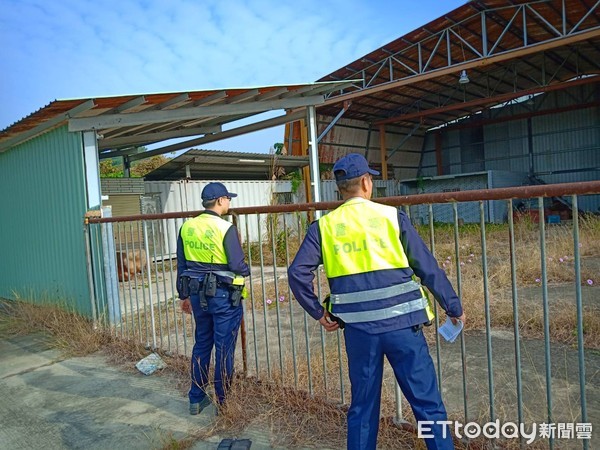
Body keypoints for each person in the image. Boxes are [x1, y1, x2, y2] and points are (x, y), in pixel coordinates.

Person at [288, 153, 465, 450]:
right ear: (367, 182)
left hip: (359, 333)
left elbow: (297, 273)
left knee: (363, 408)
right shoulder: (392, 217)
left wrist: (318, 312)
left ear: (341, 189)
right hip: (404, 328)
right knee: (427, 403)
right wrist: (454, 307)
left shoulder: (325, 227)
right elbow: (427, 267)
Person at [177, 182, 250, 415]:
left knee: (202, 344)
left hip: (197, 295)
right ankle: (223, 403)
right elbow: (237, 265)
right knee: (224, 349)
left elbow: (181, 264)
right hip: (223, 297)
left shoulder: (187, 227)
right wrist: (246, 268)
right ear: (220, 201)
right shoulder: (225, 228)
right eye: (228, 199)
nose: (229, 203)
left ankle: (196, 399)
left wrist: (184, 296)